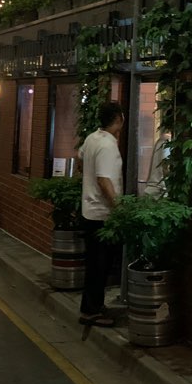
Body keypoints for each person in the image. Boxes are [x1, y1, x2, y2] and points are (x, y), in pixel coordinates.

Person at [77, 101, 125, 327]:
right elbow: (104, 180)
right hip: (101, 214)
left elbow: (79, 159)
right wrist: (118, 209)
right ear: (118, 119)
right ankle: (91, 311)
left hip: (89, 210)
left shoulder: (92, 138)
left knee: (96, 264)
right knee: (99, 266)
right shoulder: (107, 145)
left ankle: (92, 306)